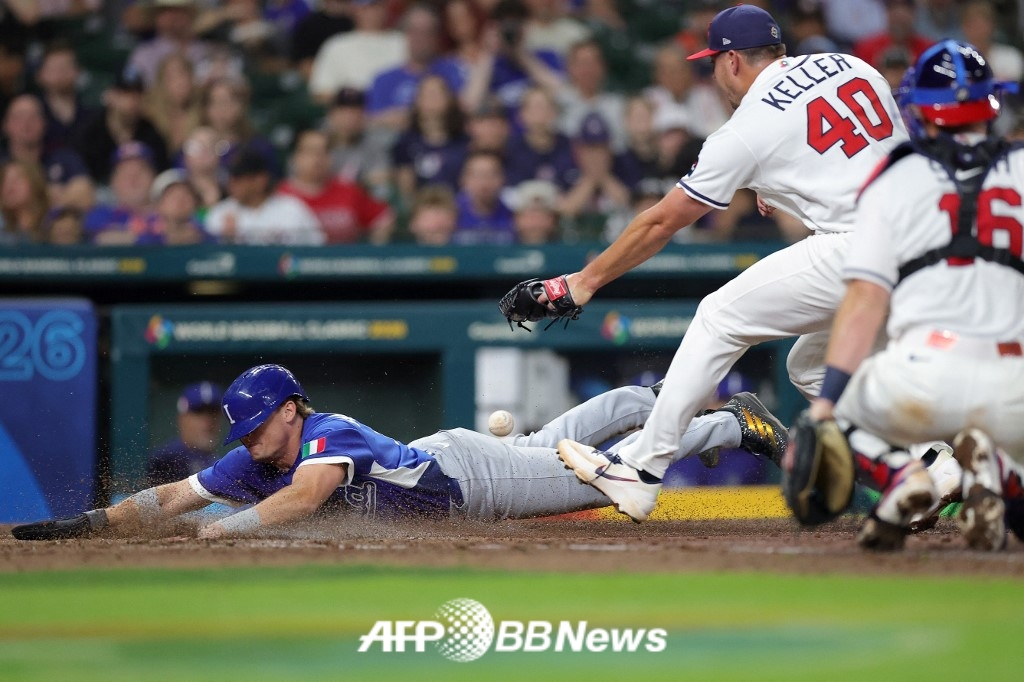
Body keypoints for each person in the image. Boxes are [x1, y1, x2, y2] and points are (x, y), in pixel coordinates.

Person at [544, 4, 907, 522]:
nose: (713, 74)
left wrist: (583, 282)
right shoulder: (854, 65)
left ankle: (641, 468)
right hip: (923, 242)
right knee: (808, 365)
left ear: (733, 61)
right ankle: (923, 463)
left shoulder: (745, 127)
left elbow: (660, 223)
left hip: (860, 246)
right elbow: (869, 152)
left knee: (719, 315)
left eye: (713, 61)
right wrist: (774, 181)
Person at [11, 363, 784, 540]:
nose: (247, 443)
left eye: (257, 428)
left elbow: (307, 498)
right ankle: (676, 412)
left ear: (290, 410)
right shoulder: (262, 456)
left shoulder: (323, 432)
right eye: (243, 433)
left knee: (602, 480)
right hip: (456, 463)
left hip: (476, 483)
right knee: (566, 442)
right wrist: (87, 524)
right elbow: (178, 495)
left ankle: (728, 426)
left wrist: (227, 531)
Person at [799, 41, 1024, 551]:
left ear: (920, 109)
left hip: (923, 373)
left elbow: (863, 302)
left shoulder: (895, 174)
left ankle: (907, 474)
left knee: (839, 407)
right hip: (1014, 380)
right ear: (993, 105)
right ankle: (1000, 472)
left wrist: (825, 404)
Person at [277, 129, 394, 244]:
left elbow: (382, 218)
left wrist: (374, 253)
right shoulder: (280, 196)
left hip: (344, 260)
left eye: (325, 151)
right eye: (311, 151)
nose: (318, 158)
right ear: (295, 157)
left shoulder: (348, 190)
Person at [365, 4, 464, 134]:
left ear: (436, 36)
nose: (419, 38)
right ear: (405, 34)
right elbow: (368, 120)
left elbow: (464, 109)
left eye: (426, 31)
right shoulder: (384, 79)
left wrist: (411, 117)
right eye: (413, 30)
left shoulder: (452, 71)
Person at [205, 146, 324, 245]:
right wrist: (225, 240)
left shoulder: (292, 209)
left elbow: (317, 245)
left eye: (239, 178)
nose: (232, 184)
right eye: (231, 178)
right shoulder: (220, 213)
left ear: (260, 180)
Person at [76, 67, 169, 186]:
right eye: (124, 93)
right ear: (110, 96)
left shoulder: (151, 133)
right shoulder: (90, 132)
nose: (131, 101)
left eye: (137, 94)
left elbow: (162, 176)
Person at [2, 94, 94, 211]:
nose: (26, 124)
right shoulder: (2, 165)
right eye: (19, 118)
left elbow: (85, 196)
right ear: (6, 125)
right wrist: (49, 195)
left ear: (44, 123)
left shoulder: (64, 158)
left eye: (33, 117)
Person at [308, 0, 406, 102]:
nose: (370, 12)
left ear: (385, 8)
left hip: (396, 108)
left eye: (375, 6)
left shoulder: (403, 41)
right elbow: (321, 92)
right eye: (364, 7)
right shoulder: (336, 45)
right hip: (350, 110)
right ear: (353, 9)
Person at [146, 381, 224, 487]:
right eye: (198, 412)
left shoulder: (215, 459)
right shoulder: (170, 458)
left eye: (213, 412)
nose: (208, 421)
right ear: (182, 418)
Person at [82, 141, 158, 245]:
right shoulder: (100, 216)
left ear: (153, 178)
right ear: (113, 182)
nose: (133, 180)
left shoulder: (169, 215)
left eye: (140, 172)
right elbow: (99, 240)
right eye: (126, 174)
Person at [34, 41, 97, 152]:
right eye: (54, 69)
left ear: (78, 71)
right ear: (40, 75)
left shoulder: (92, 109)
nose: (60, 74)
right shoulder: (33, 110)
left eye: (65, 67)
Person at [136, 168, 213, 246]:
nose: (180, 200)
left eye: (187, 194)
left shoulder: (210, 242)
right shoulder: (144, 244)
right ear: (158, 204)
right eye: (172, 195)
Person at [0, 159, 48, 245]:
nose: (9, 187)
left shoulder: (52, 222)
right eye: (5, 181)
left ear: (35, 182)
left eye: (17, 179)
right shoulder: (2, 226)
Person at [510, 178, 560, 244]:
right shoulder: (501, 249)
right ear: (516, 219)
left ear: (553, 220)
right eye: (529, 216)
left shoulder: (568, 248)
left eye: (541, 216)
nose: (535, 223)